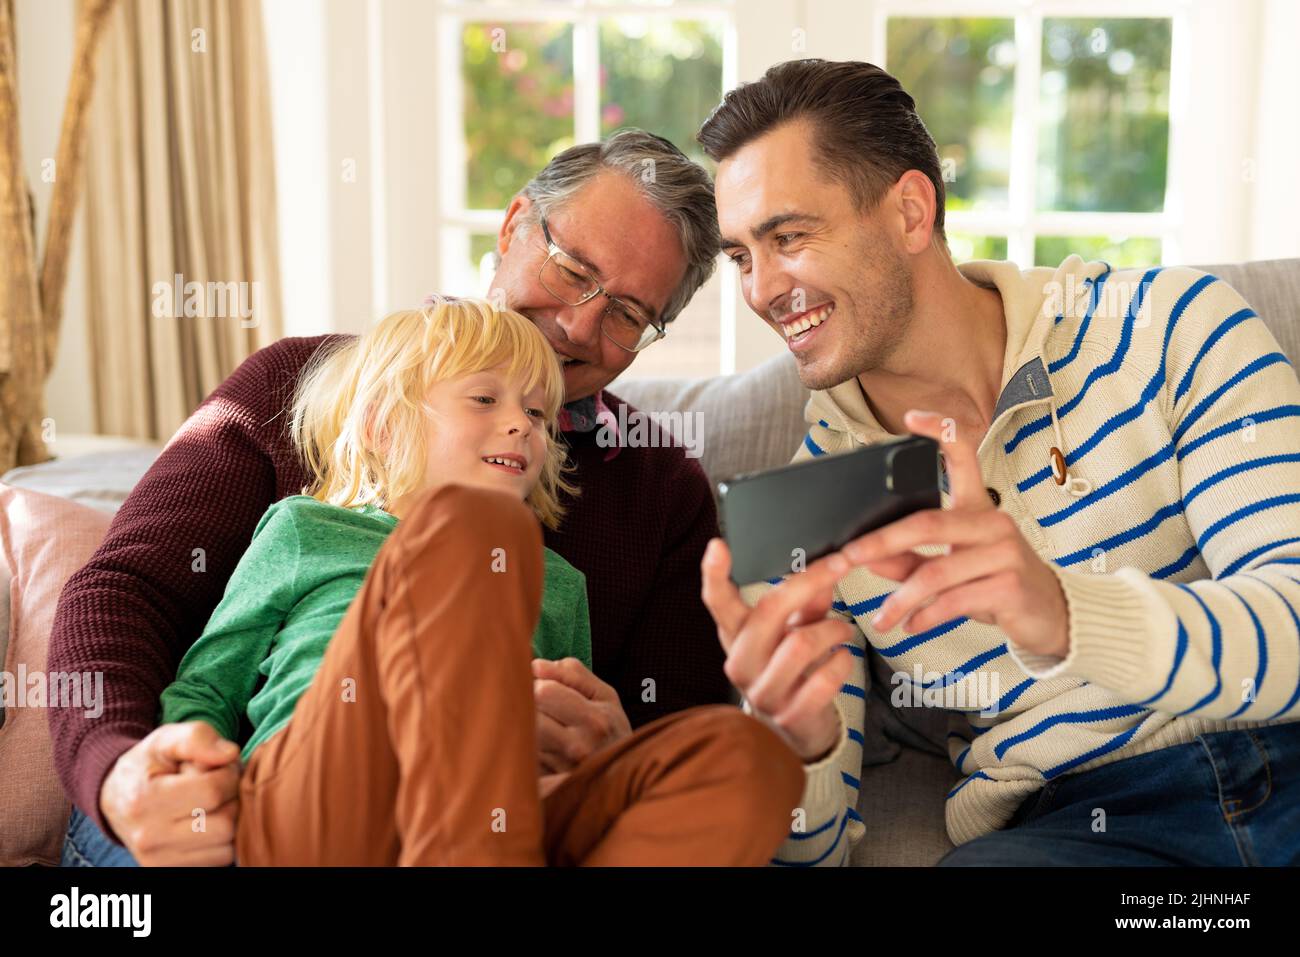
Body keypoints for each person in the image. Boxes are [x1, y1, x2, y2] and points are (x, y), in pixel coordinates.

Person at [51, 130, 739, 866]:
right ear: (511, 227)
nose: (578, 325)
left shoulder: (664, 490)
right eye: (572, 269)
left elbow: (678, 737)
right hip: (229, 805)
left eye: (630, 313)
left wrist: (618, 751)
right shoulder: (295, 386)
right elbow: (123, 593)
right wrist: (121, 768)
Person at [697, 58, 1300, 866]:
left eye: (790, 237)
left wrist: (1063, 613)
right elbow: (813, 852)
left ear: (911, 211)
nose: (763, 289)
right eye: (740, 256)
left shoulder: (1168, 328)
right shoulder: (803, 510)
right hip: (1084, 833)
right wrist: (797, 748)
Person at [148, 298, 800, 865]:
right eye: (485, 398)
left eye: (540, 414)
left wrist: (601, 749)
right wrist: (188, 772)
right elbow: (209, 680)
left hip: (492, 807)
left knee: (749, 761)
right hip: (321, 803)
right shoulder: (307, 530)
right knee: (477, 527)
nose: (521, 423)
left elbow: (563, 742)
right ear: (382, 423)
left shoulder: (558, 582)